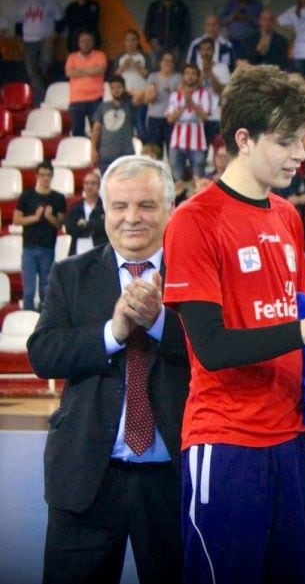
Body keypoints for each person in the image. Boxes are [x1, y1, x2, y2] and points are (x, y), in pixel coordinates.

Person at [162, 63, 305, 584]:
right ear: (243, 139)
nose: (301, 154)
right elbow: (212, 347)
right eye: (287, 140)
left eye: (304, 140)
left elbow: (300, 321)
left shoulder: (285, 215)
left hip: (291, 437)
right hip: (226, 441)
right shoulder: (193, 221)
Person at [27, 155, 189, 584]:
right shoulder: (70, 275)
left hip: (174, 481)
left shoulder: (197, 276)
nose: (132, 218)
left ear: (170, 208)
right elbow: (43, 352)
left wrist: (157, 323)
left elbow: (213, 353)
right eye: (119, 206)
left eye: (147, 206)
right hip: (84, 481)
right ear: (105, 212)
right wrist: (113, 332)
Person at [12, 161, 67, 311]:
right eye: (42, 175)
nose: (45, 178)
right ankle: (27, 322)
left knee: (45, 289)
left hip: (47, 248)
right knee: (28, 291)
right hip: (29, 248)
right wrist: (34, 218)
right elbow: (16, 220)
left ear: (52, 176)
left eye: (48, 175)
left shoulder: (58, 198)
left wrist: (50, 218)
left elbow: (61, 223)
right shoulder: (27, 195)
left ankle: (44, 323)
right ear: (37, 175)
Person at [165, 63, 212, 189]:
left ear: (198, 76)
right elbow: (170, 119)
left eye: (193, 74)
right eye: (187, 73)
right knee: (176, 183)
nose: (190, 77)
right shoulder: (175, 95)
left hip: (197, 144)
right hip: (176, 143)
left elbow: (206, 117)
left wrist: (192, 103)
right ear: (183, 76)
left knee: (199, 184)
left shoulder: (204, 94)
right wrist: (185, 105)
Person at [15, 0, 63, 105]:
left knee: (46, 62)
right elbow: (18, 25)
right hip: (28, 41)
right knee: (32, 71)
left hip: (45, 40)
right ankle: (40, 102)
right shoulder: (24, 2)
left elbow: (60, 21)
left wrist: (54, 35)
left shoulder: (49, 1)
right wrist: (19, 42)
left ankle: (42, 89)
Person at [91, 75, 138, 175]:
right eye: (112, 88)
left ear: (124, 88)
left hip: (126, 154)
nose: (116, 90)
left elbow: (141, 96)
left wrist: (129, 93)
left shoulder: (129, 105)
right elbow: (96, 128)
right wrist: (93, 149)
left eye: (118, 87)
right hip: (105, 154)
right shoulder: (103, 106)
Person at [65, 30, 106, 137]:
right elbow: (69, 72)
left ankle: (96, 153)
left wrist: (79, 71)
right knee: (77, 131)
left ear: (93, 43)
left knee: (97, 130)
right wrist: (90, 70)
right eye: (83, 41)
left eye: (88, 41)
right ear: (79, 43)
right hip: (76, 100)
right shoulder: (72, 57)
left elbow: (100, 70)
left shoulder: (100, 55)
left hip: (95, 99)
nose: (86, 43)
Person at [143, 51, 180, 156]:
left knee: (172, 151)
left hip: (171, 118)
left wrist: (171, 91)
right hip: (155, 117)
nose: (168, 63)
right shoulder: (152, 77)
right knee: (155, 151)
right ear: (160, 63)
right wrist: (154, 92)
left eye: (170, 61)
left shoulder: (178, 77)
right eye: (165, 60)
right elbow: (147, 99)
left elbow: (181, 96)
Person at [114, 29, 149, 140]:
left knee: (140, 125)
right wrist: (123, 66)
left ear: (138, 42)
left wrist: (136, 66)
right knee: (125, 126)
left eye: (133, 40)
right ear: (124, 42)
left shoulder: (144, 56)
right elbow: (114, 77)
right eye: (127, 40)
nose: (130, 43)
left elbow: (148, 75)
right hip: (124, 96)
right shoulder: (120, 57)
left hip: (140, 95)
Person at [144, 0, 191, 69]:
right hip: (157, 47)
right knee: (156, 70)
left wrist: (180, 45)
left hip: (175, 48)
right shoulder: (154, 7)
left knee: (174, 71)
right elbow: (147, 26)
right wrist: (151, 40)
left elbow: (186, 29)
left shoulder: (181, 7)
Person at [64, 169, 106, 256]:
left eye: (93, 183)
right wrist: (92, 227)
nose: (89, 187)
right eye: (86, 183)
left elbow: (105, 227)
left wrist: (85, 224)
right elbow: (69, 228)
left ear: (99, 186)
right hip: (77, 253)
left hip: (99, 253)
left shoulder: (105, 208)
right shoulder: (75, 207)